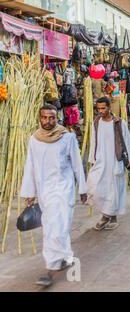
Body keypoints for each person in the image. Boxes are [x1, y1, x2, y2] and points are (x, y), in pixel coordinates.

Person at [20, 104, 87, 287]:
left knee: (57, 226)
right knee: (53, 226)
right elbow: (30, 166)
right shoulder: (34, 139)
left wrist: (82, 188)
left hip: (64, 189)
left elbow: (76, 164)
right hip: (45, 192)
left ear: (57, 117)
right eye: (44, 118)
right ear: (39, 118)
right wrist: (29, 192)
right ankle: (62, 258)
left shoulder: (67, 137)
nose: (48, 121)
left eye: (51, 118)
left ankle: (51, 268)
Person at [87, 97, 130, 231]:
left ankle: (108, 217)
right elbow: (93, 141)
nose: (100, 111)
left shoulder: (119, 123)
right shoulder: (96, 122)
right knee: (96, 187)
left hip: (116, 160)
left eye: (103, 108)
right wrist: (92, 160)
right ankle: (108, 215)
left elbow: (127, 141)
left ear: (109, 107)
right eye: (98, 108)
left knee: (114, 189)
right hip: (100, 161)